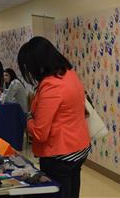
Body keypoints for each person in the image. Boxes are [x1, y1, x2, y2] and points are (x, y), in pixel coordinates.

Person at [18, 36, 90, 198]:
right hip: (79, 147)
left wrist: (28, 118)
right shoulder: (69, 74)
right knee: (71, 191)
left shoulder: (51, 86)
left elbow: (39, 133)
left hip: (60, 153)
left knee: (59, 192)